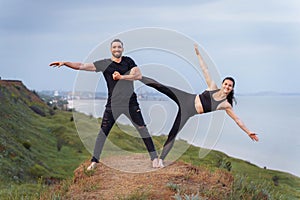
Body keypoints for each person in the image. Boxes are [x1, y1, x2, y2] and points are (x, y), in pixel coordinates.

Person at [139, 44, 259, 168]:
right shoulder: (213, 87)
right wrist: (198, 55)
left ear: (232, 88)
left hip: (188, 111)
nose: (227, 86)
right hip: (186, 98)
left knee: (173, 134)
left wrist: (248, 132)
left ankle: (161, 160)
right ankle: (138, 77)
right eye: (226, 84)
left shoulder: (225, 105)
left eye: (230, 86)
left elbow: (237, 120)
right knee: (160, 87)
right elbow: (205, 70)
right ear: (222, 84)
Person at [49, 39, 159, 170]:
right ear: (111, 49)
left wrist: (122, 77)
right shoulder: (105, 64)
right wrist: (66, 63)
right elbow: (82, 66)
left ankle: (154, 158)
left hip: (131, 104)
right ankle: (94, 161)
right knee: (103, 132)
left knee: (142, 129)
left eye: (119, 47)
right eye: (114, 47)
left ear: (122, 49)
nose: (117, 49)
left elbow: (138, 75)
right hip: (113, 104)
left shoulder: (128, 61)